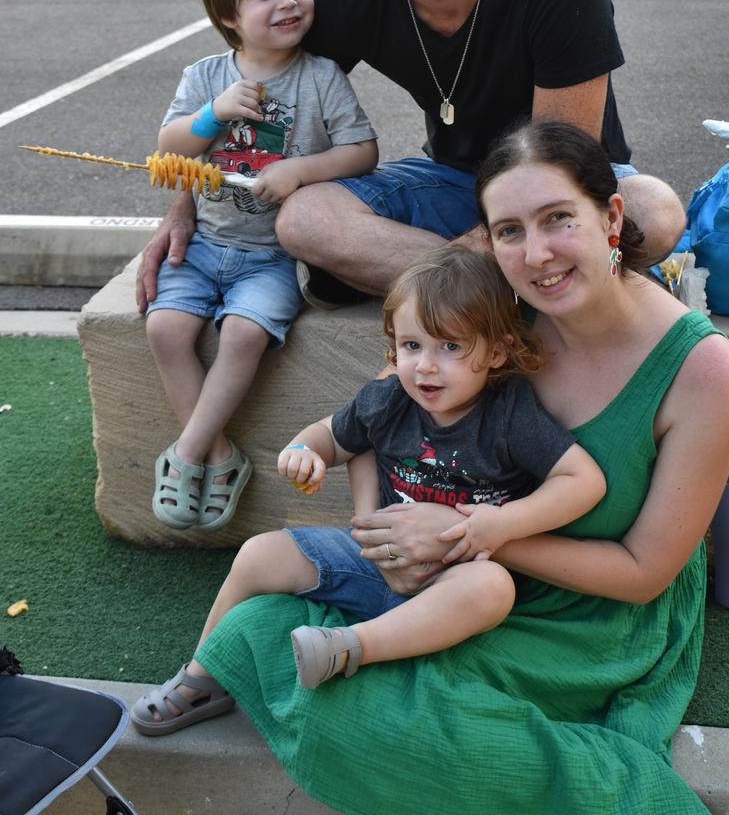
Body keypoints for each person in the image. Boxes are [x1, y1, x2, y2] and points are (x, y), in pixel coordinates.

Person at [189, 121, 729, 813]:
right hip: (454, 581)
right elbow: (376, 419)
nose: (537, 253)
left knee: (369, 720)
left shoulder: (704, 368)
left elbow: (642, 575)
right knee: (251, 627)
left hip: (589, 619)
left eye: (557, 219)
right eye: (509, 230)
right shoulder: (491, 310)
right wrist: (379, 527)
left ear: (611, 216)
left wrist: (466, 530)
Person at [135, 0, 685, 313]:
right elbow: (262, 88)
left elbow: (561, 165)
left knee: (654, 211)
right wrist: (184, 204)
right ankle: (520, 295)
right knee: (305, 220)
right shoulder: (358, 1)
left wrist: (470, 250)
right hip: (452, 181)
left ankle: (455, 294)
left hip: (566, 189)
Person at [130, 244, 605, 728]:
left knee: (494, 587)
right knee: (257, 554)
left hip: (452, 575)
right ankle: (202, 677)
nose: (425, 366)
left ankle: (351, 648)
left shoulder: (508, 415)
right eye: (412, 345)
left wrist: (501, 525)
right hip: (372, 562)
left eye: (452, 347)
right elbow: (333, 437)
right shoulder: (389, 398)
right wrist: (303, 451)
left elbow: (583, 481)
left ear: (497, 351)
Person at [146, 0, 377, 531]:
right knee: (167, 329)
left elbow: (363, 151)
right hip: (203, 244)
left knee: (246, 335)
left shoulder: (321, 76)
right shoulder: (205, 78)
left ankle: (188, 452)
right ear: (227, 15)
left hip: (271, 255)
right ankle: (220, 454)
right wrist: (211, 118)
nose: (290, 1)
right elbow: (168, 145)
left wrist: (301, 170)